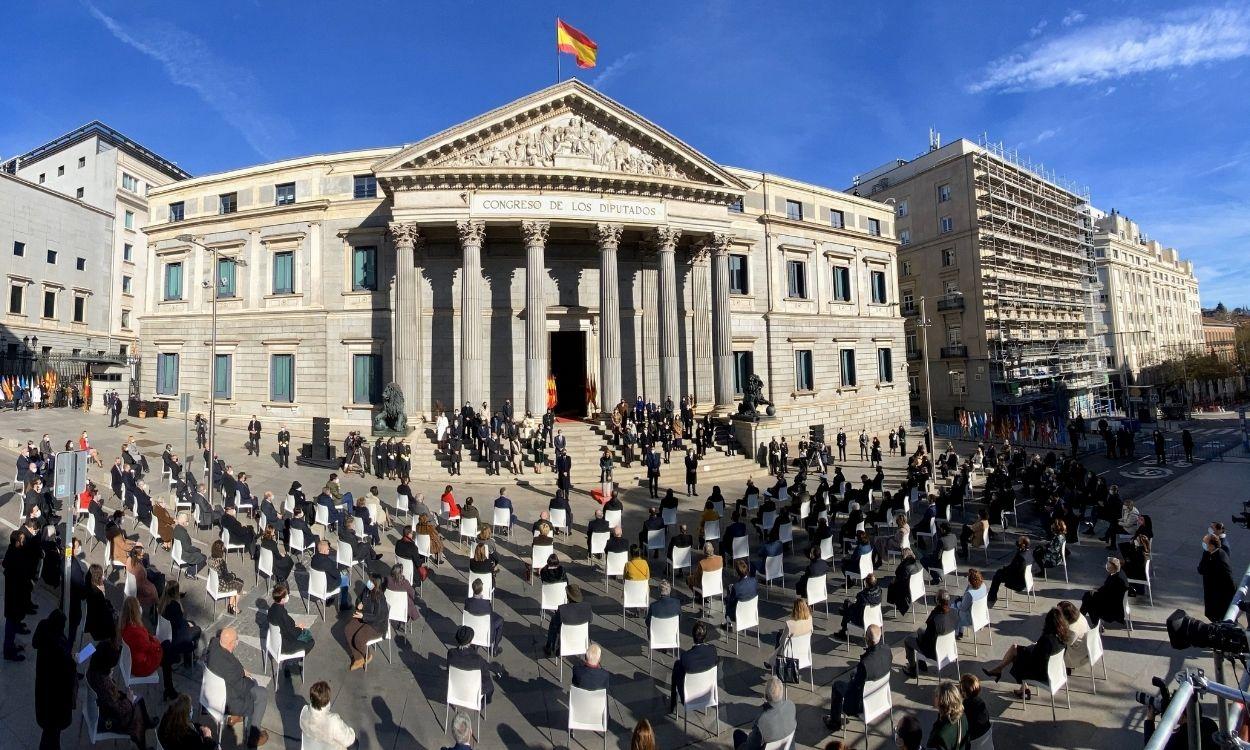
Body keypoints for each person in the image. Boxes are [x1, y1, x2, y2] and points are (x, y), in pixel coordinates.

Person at [983, 606, 1069, 700]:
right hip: (1055, 671)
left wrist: (1029, 648)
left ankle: (1016, 683)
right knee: (1016, 650)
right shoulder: (1063, 638)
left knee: (1016, 654)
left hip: (1042, 674)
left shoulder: (1046, 639)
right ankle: (1018, 685)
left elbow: (1035, 658)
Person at [204, 627, 269, 747]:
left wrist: (242, 671)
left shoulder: (214, 646)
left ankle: (235, 718)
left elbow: (216, 639)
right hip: (228, 700)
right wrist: (251, 680)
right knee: (261, 693)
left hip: (212, 692)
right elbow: (243, 687)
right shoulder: (229, 667)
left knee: (253, 688)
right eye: (236, 640)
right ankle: (252, 736)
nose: (237, 642)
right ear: (230, 643)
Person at [85, 639, 155, 749]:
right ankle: (141, 741)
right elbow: (119, 708)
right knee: (137, 713)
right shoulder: (105, 683)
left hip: (104, 703)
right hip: (109, 715)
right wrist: (129, 699)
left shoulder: (94, 670)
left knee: (139, 701)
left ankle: (146, 723)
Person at [825, 624, 891, 730]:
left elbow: (854, 689)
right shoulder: (887, 651)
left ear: (866, 639)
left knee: (837, 685)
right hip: (881, 698)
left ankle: (834, 722)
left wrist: (853, 679)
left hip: (863, 703)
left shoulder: (865, 664)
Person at [33, 609, 76, 750]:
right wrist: (72, 660)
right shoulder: (58, 649)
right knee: (51, 734)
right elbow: (68, 672)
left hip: (43, 692)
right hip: (55, 701)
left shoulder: (43, 630)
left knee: (48, 732)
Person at [157, 580, 201, 700]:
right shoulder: (174, 606)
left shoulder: (162, 604)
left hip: (167, 634)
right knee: (196, 629)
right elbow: (179, 625)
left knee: (192, 624)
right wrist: (188, 625)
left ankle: (189, 657)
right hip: (176, 638)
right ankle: (189, 658)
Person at [904, 589, 958, 678]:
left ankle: (912, 669)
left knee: (908, 640)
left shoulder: (935, 619)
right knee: (920, 630)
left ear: (937, 601)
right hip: (949, 648)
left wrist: (919, 637)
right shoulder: (954, 612)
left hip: (934, 652)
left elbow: (926, 640)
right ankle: (921, 664)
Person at [733, 676, 797, 750]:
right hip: (787, 747)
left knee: (737, 734)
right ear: (782, 694)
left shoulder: (762, 721)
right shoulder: (791, 707)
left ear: (765, 696)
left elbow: (750, 747)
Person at [670, 620, 718, 712]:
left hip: (689, 698)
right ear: (705, 636)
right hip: (708, 695)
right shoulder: (713, 651)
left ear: (693, 636)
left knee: (677, 665)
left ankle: (673, 704)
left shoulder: (686, 657)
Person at [344, 574, 389, 670]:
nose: (369, 582)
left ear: (376, 585)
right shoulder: (366, 590)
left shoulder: (380, 598)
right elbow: (359, 599)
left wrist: (363, 616)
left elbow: (378, 617)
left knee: (359, 639)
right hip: (365, 617)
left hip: (377, 626)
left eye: (371, 581)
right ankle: (358, 657)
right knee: (348, 629)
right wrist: (359, 604)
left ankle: (367, 655)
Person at [3, 529, 33, 660]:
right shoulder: (16, 557)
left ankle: (10, 646)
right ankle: (8, 651)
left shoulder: (12, 552)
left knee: (12, 622)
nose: (24, 541)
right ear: (17, 542)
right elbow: (21, 576)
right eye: (22, 539)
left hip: (13, 597)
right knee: (10, 625)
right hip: (15, 597)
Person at [299, 680, 357, 749]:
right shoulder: (333, 721)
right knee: (355, 744)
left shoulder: (304, 711)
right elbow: (349, 740)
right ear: (328, 699)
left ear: (311, 698)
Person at [268, 583, 314, 665]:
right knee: (310, 641)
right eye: (286, 596)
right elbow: (291, 632)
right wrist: (301, 630)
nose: (288, 596)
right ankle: (292, 662)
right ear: (282, 599)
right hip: (285, 644)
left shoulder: (272, 608)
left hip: (273, 641)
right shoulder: (282, 613)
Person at [118, 596, 163, 679]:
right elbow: (148, 647)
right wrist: (157, 643)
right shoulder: (137, 632)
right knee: (161, 649)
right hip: (141, 667)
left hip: (131, 661)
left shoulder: (123, 625)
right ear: (136, 611)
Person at [447, 625, 494, 705]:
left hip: (455, 689)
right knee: (489, 685)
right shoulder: (477, 659)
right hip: (472, 691)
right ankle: (482, 703)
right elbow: (486, 670)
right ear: (471, 641)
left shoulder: (451, 653)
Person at [1079, 557, 1131, 627]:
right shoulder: (1117, 575)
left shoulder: (1117, 579)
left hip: (1111, 609)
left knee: (1088, 599)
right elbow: (1107, 590)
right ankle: (1092, 622)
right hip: (1113, 605)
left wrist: (1096, 593)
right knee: (1088, 597)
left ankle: (1088, 621)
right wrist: (1097, 591)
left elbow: (1109, 594)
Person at [544, 583, 592, 655]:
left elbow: (556, 624)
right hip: (581, 643)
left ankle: (549, 646)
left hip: (565, 642)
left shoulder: (562, 609)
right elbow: (590, 620)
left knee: (553, 622)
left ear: (568, 596)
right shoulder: (587, 608)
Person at [1199, 532, 1236, 622]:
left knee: (1219, 616)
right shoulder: (1207, 553)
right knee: (1211, 614)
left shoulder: (1221, 558)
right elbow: (1201, 569)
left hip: (1219, 595)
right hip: (1211, 591)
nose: (1203, 544)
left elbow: (1229, 580)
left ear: (1211, 545)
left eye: (1205, 542)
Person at [986, 536, 1030, 608]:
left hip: (1018, 583)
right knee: (999, 573)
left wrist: (1004, 570)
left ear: (1023, 545)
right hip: (1026, 580)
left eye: (1019, 542)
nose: (1017, 543)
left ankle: (992, 597)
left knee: (997, 576)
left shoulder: (1020, 556)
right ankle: (992, 596)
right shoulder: (1029, 553)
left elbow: (1011, 569)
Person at [836, 572, 882, 640]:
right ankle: (844, 612)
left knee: (847, 607)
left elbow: (856, 609)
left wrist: (848, 608)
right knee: (848, 607)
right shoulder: (879, 591)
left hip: (863, 620)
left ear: (866, 583)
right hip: (876, 618)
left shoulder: (862, 595)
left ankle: (843, 631)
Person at [927, 680, 970, 750]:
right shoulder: (962, 716)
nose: (934, 696)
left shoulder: (940, 735)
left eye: (937, 695)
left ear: (942, 702)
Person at [208, 539, 245, 615]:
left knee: (237, 581)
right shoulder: (221, 562)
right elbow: (226, 577)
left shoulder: (210, 559)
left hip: (213, 583)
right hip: (222, 585)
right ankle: (234, 606)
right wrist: (233, 575)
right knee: (240, 584)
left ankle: (230, 605)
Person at [953, 569, 988, 639]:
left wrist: (957, 602)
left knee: (953, 607)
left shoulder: (970, 594)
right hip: (982, 616)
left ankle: (957, 633)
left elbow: (962, 608)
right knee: (958, 606)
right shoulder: (984, 586)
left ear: (970, 581)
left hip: (971, 619)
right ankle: (960, 632)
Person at [1058, 600, 1091, 671]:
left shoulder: (1072, 630)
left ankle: (1064, 667)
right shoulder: (1080, 616)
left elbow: (1064, 643)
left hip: (1079, 657)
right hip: (1087, 648)